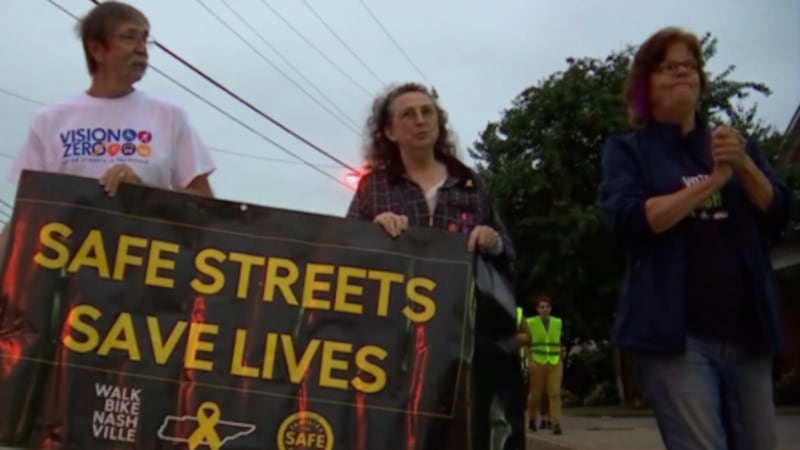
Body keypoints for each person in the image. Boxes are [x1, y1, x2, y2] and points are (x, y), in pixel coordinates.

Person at [598, 26, 793, 450]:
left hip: (748, 334)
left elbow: (779, 212)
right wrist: (712, 181)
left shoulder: (734, 146)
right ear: (645, 86)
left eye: (689, 65)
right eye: (668, 67)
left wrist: (743, 165)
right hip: (675, 339)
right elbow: (632, 219)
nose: (682, 73)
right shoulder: (628, 151)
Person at [346, 82, 518, 448]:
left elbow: (509, 253)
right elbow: (346, 257)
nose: (420, 120)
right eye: (408, 114)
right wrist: (374, 232)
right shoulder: (372, 189)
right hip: (392, 342)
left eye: (427, 112)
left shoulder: (471, 184)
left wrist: (493, 240)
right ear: (390, 131)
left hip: (460, 342)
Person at [0, 1, 215, 257]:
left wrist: (143, 192)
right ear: (96, 49)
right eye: (129, 37)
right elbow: (29, 209)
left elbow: (205, 202)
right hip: (68, 277)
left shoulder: (169, 115)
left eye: (145, 39)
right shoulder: (50, 120)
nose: (142, 50)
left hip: (144, 277)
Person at [526, 295, 563, 435]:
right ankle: (532, 419)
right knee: (535, 394)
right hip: (537, 361)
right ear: (537, 309)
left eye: (547, 307)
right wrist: (529, 360)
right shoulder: (530, 322)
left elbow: (558, 340)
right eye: (541, 307)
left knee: (555, 393)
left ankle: (555, 423)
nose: (544, 310)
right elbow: (527, 343)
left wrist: (560, 357)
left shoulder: (557, 322)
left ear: (551, 309)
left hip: (554, 362)